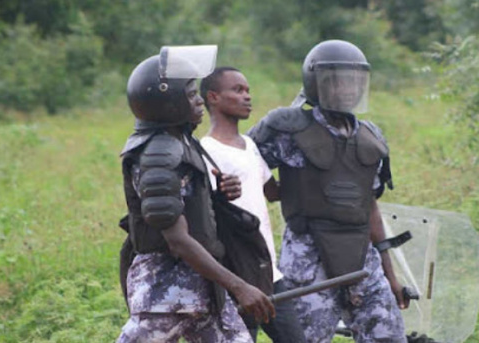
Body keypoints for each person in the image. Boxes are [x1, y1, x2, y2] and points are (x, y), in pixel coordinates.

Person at [247, 40, 409, 343]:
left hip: (364, 261)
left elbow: (369, 206)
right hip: (309, 263)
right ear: (316, 83)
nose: (348, 89)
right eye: (338, 82)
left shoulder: (370, 137)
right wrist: (274, 191)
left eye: (354, 82)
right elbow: (238, 162)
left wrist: (391, 276)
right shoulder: (289, 129)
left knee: (390, 337)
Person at [117, 46, 275, 343]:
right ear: (168, 103)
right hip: (165, 294)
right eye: (191, 95)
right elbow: (176, 240)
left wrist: (217, 197)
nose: (200, 100)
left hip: (205, 288)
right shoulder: (157, 155)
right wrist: (239, 286)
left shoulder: (183, 142)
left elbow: (188, 208)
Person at [198, 66, 307, 343]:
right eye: (237, 90)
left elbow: (274, 192)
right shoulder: (206, 151)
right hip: (236, 273)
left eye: (247, 90)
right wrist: (220, 194)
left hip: (268, 271)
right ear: (213, 97)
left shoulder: (249, 145)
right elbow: (204, 212)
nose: (247, 96)